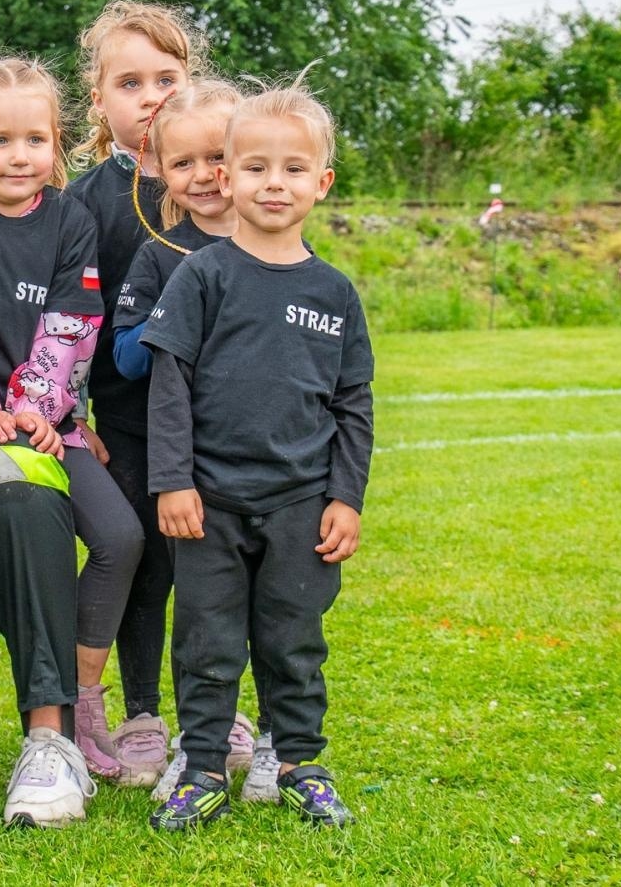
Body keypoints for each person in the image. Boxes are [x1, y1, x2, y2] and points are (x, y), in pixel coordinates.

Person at [141, 73, 373, 831]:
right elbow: (167, 383)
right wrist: (172, 480)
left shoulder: (335, 292)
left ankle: (300, 761)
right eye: (256, 167)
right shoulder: (201, 274)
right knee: (206, 640)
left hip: (301, 504)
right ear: (227, 177)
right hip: (208, 501)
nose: (274, 183)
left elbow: (352, 404)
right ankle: (203, 766)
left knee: (293, 636)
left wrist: (346, 497)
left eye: (293, 168)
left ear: (322, 182)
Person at [0, 55, 143, 785]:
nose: (20, 157)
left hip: (49, 425)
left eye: (35, 140)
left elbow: (73, 322)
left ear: (58, 142)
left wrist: (37, 410)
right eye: (0, 141)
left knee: (121, 536)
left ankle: (82, 699)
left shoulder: (71, 220)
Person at [68, 1, 263, 783]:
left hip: (221, 430)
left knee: (218, 567)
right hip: (129, 421)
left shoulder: (240, 195)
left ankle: (216, 711)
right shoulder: (88, 199)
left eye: (166, 77)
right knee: (146, 562)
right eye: (130, 81)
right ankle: (142, 711)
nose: (149, 95)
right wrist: (76, 411)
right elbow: (73, 315)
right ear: (101, 102)